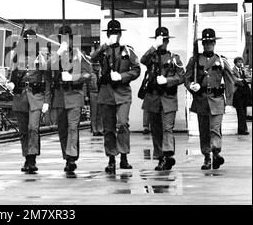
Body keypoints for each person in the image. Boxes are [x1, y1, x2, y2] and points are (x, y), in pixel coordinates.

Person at [91, 20, 141, 174]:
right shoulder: (103, 50)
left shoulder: (127, 50)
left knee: (123, 124)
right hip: (106, 92)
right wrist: (105, 44)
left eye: (116, 33)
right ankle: (111, 158)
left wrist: (122, 76)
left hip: (122, 92)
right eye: (111, 34)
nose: (115, 36)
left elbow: (137, 70)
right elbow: (92, 57)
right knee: (108, 128)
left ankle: (124, 156)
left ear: (120, 34)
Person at [184, 28, 236, 170]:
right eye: (206, 43)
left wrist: (230, 101)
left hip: (217, 99)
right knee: (204, 130)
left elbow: (230, 81)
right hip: (201, 99)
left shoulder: (221, 60)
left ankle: (216, 153)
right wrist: (191, 86)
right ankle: (207, 157)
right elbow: (186, 77)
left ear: (214, 43)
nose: (208, 45)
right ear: (202, 44)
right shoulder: (195, 60)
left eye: (211, 42)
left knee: (215, 128)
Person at [6, 29, 51, 173]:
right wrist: (10, 84)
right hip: (20, 98)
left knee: (33, 128)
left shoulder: (41, 58)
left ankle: (32, 158)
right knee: (24, 131)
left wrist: (47, 101)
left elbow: (48, 81)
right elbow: (11, 76)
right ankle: (27, 157)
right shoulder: (16, 58)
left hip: (36, 97)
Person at [140, 27, 185, 171]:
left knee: (167, 128)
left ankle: (168, 155)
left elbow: (181, 76)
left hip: (168, 98)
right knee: (156, 130)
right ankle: (160, 157)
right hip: (153, 98)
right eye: (161, 41)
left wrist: (167, 80)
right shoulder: (152, 57)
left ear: (168, 41)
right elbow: (143, 60)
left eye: (165, 40)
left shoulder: (174, 58)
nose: (163, 43)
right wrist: (154, 46)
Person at [50, 25, 91, 173]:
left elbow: (88, 74)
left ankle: (71, 158)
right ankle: (67, 155)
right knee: (62, 129)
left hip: (74, 94)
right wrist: (57, 55)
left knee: (73, 128)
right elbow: (47, 69)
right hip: (60, 96)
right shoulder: (55, 54)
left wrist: (74, 78)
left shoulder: (79, 54)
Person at [232, 57, 252, 135]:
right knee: (240, 112)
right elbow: (235, 80)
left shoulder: (243, 70)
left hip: (244, 94)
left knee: (244, 111)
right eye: (239, 62)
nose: (240, 63)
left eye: (241, 62)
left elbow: (249, 78)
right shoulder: (232, 70)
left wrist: (243, 80)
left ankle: (242, 129)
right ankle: (242, 129)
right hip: (237, 94)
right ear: (235, 63)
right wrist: (243, 80)